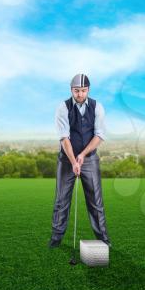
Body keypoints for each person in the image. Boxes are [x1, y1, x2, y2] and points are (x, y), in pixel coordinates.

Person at [48, 74, 111, 248]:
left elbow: (99, 136)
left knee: (96, 202)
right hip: (66, 160)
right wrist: (73, 161)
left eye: (83, 91)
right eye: (77, 91)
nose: (80, 94)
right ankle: (56, 239)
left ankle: (104, 239)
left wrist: (82, 156)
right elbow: (64, 138)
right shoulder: (63, 107)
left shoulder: (97, 107)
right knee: (61, 200)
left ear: (88, 90)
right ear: (71, 90)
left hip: (89, 159)